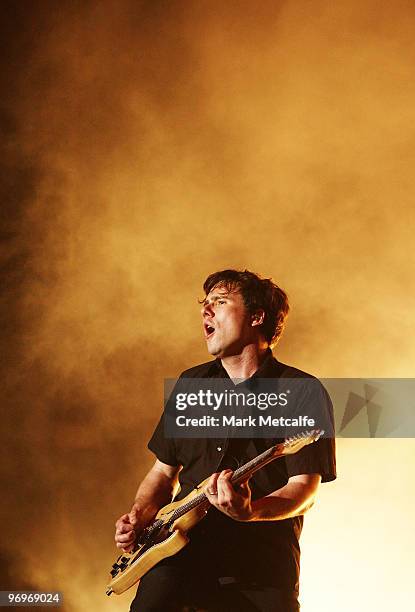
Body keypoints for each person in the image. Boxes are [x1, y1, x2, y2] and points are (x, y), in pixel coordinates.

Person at [114, 269, 336, 612]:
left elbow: (303, 490)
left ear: (257, 316)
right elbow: (161, 474)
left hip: (259, 570)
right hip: (178, 560)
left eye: (219, 302)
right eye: (204, 304)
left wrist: (250, 512)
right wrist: (139, 516)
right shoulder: (191, 384)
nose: (206, 311)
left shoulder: (301, 392)